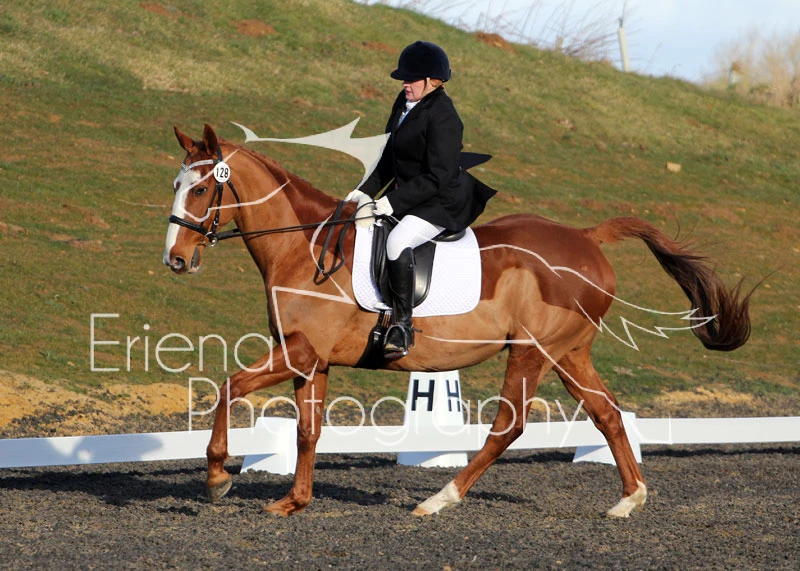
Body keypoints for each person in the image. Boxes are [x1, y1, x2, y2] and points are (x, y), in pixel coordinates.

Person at [346, 40, 496, 360]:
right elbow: (389, 157)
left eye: (411, 79)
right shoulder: (403, 103)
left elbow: (439, 176)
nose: (405, 84)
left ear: (433, 81)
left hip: (441, 201)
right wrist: (364, 192)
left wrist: (394, 202)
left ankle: (402, 327)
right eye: (404, 78)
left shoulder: (444, 117)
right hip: (412, 194)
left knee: (398, 241)